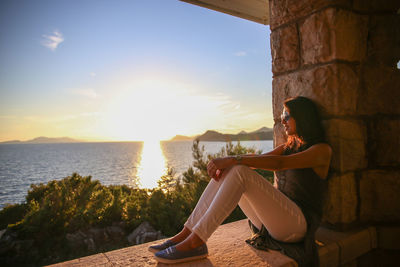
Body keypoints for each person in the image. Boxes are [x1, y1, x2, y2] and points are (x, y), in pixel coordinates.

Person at [149, 96, 332, 266]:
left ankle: (196, 241)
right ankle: (187, 233)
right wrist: (228, 163)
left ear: (303, 118)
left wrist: (234, 159)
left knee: (239, 170)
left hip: (298, 225)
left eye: (286, 115)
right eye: (282, 115)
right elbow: (258, 161)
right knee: (232, 170)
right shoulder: (290, 146)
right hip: (274, 223)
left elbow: (279, 163)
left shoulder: (321, 151)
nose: (282, 120)